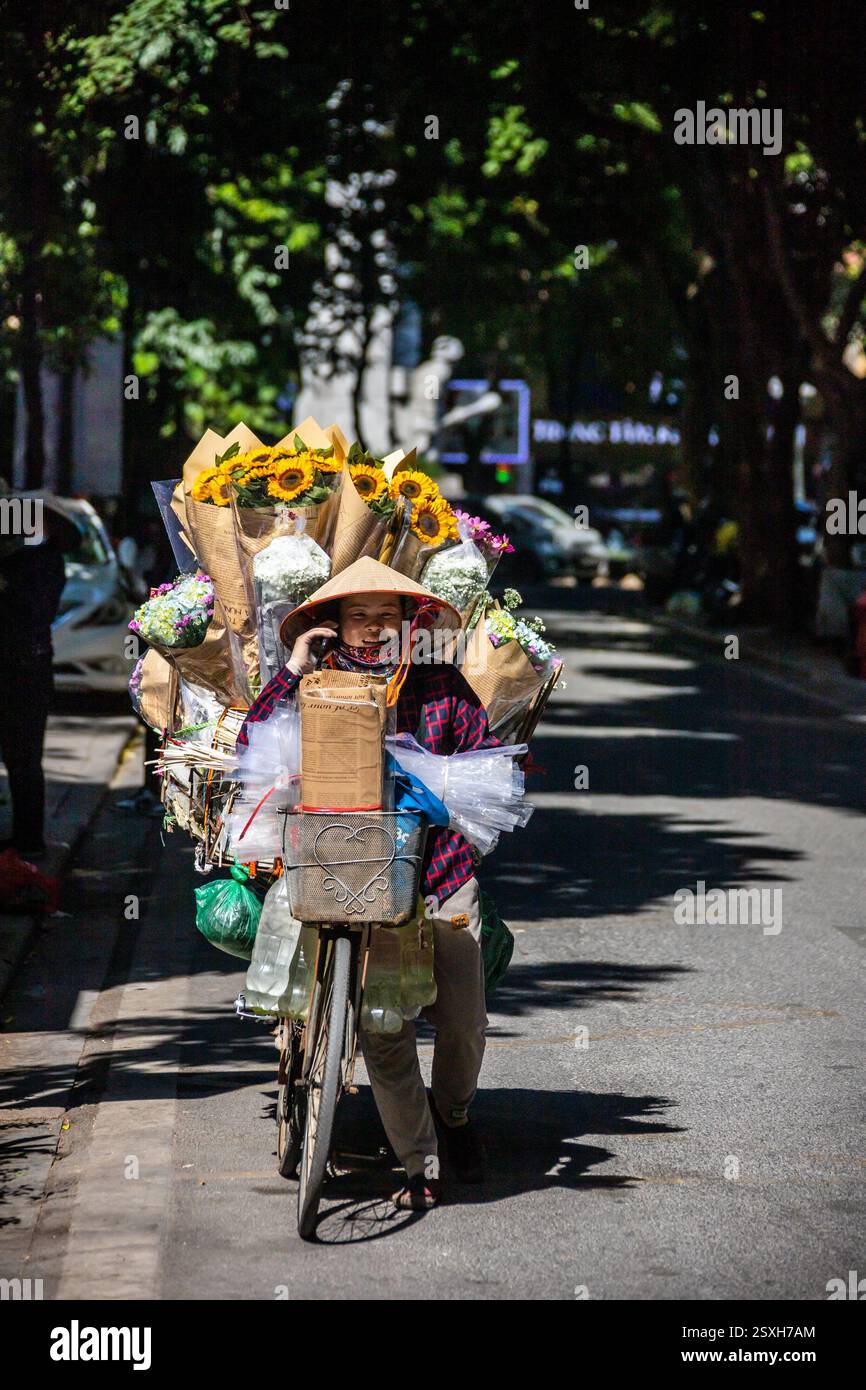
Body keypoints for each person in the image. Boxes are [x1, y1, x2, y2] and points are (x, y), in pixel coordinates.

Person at [236, 557, 498, 1211]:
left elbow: (484, 768)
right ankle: (419, 1163)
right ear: (335, 624)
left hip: (436, 870)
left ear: (410, 625)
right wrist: (293, 667)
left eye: (388, 617)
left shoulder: (441, 688)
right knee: (384, 1024)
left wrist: (440, 792)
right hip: (342, 871)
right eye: (360, 617)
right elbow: (252, 744)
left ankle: (456, 1115)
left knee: (463, 1019)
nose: (374, 629)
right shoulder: (314, 682)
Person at [0, 493, 75, 856]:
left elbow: (34, 610)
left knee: (24, 757)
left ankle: (29, 840)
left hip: (27, 669)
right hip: (16, 663)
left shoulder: (44, 562)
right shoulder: (17, 558)